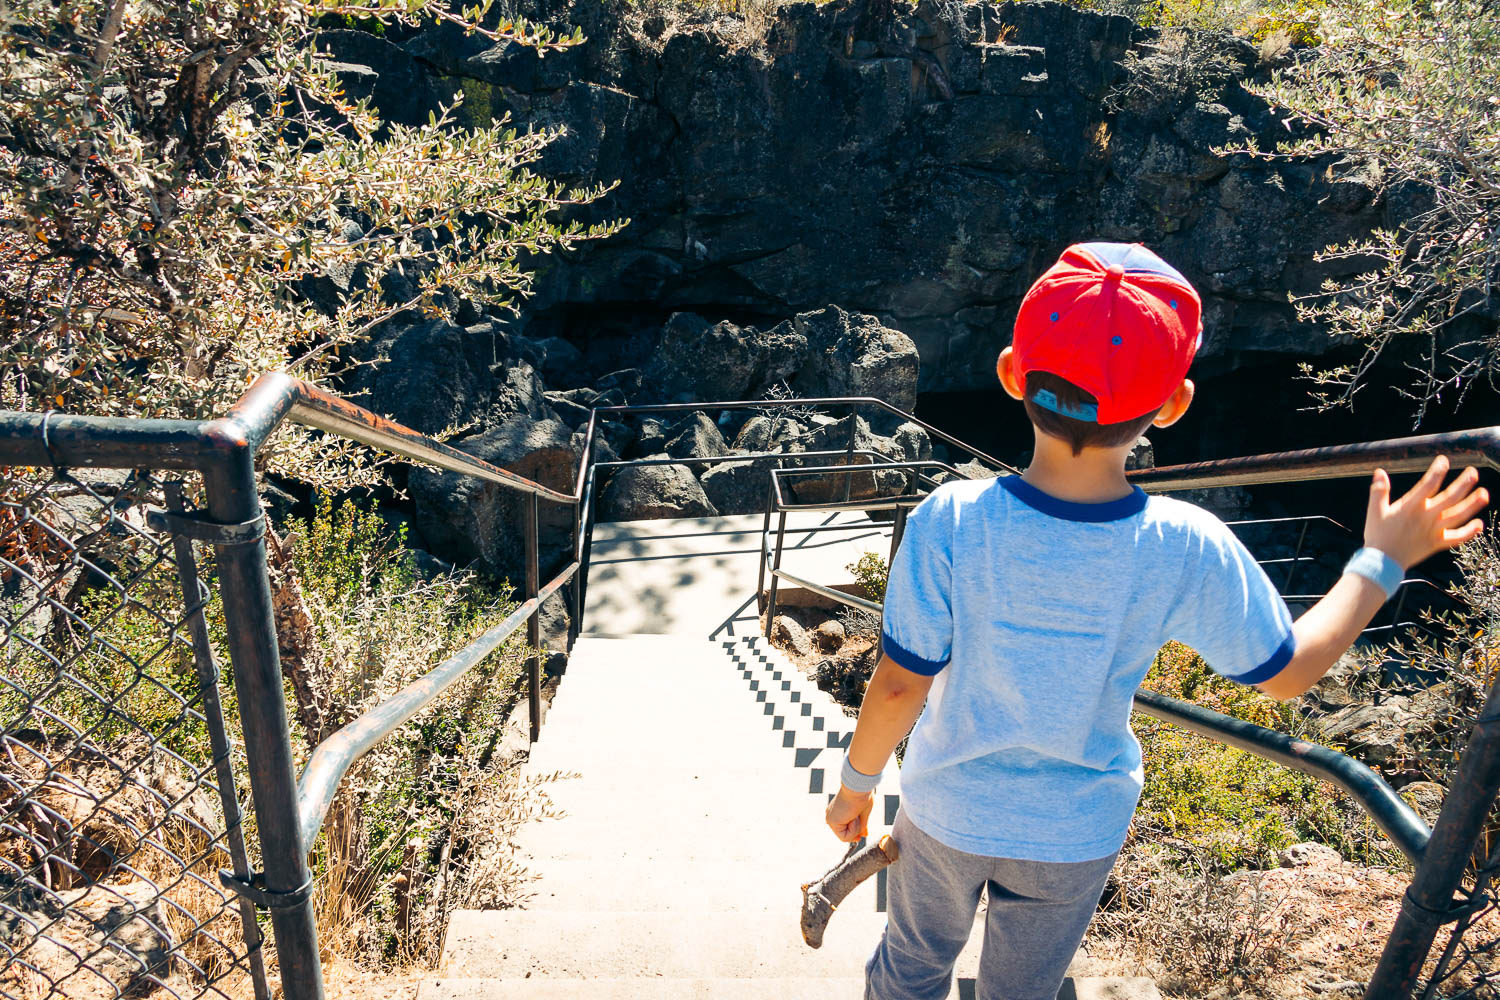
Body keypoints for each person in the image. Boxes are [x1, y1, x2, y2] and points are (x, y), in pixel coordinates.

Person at [824, 241, 1491, 1000]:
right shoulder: (1183, 541)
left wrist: (856, 786)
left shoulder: (952, 518)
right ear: (1173, 405)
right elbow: (1290, 671)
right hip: (1075, 832)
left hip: (948, 811)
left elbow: (900, 685)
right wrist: (1380, 560)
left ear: (1011, 372)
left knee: (910, 969)